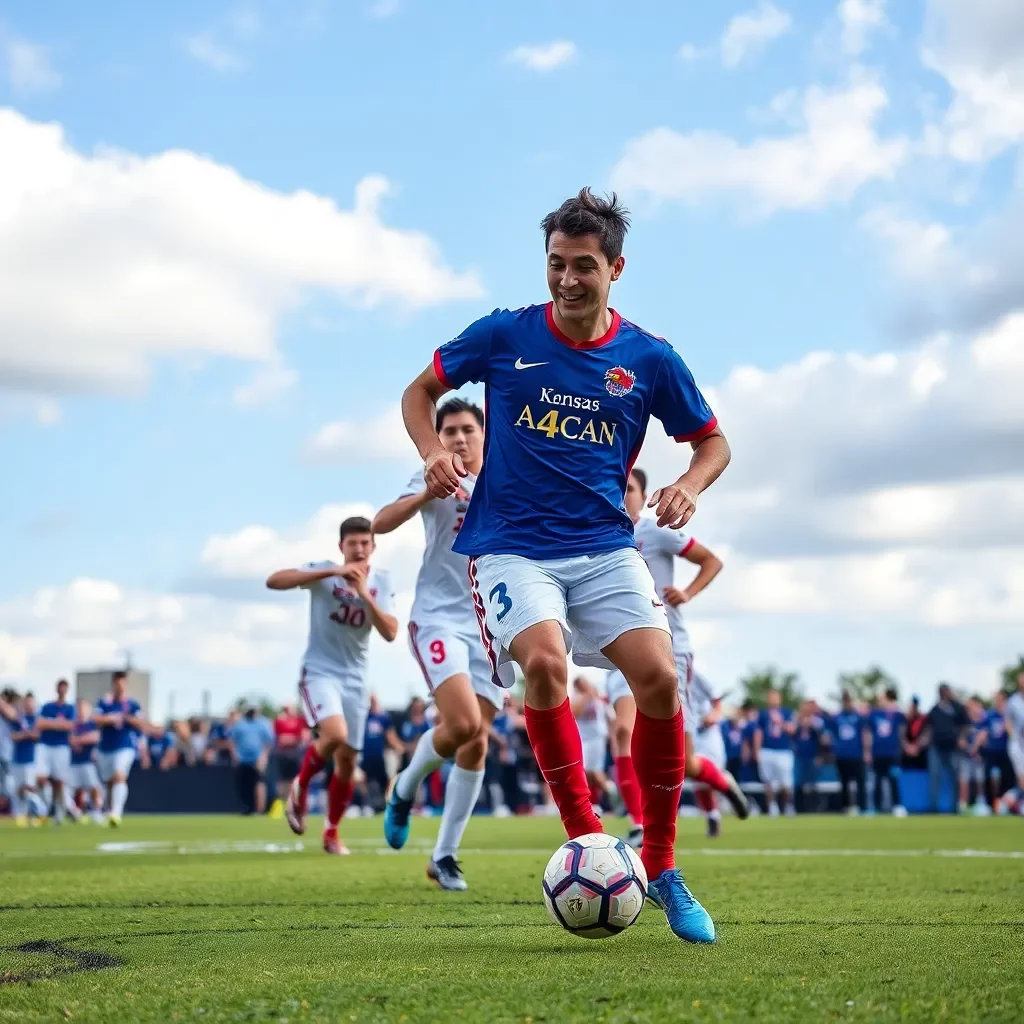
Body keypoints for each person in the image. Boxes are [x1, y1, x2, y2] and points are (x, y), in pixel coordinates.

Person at [398, 187, 731, 943]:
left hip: (605, 547)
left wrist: (686, 484)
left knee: (658, 680)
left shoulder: (647, 357)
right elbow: (420, 391)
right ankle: (587, 840)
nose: (568, 280)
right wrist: (429, 452)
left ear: (617, 268)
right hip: (512, 545)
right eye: (557, 264)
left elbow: (714, 443)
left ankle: (663, 865)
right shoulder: (505, 334)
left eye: (585, 266)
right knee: (544, 666)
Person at [377, 397, 507, 890]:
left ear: (482, 433)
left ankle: (444, 856)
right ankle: (404, 788)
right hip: (437, 619)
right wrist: (424, 493)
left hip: (491, 624)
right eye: (448, 429)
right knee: (463, 724)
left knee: (476, 743)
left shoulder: (504, 473)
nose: (457, 437)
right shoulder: (433, 473)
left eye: (467, 428)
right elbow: (380, 522)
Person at [605, 468, 748, 849]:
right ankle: (637, 825)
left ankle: (719, 780)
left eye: (630, 488)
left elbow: (711, 561)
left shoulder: (654, 531)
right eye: (617, 487)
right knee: (622, 730)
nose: (623, 494)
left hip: (669, 647)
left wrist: (687, 592)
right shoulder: (598, 529)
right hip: (617, 646)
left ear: (643, 494)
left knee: (680, 760)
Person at [270, 515, 397, 855]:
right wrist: (332, 573)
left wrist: (363, 594)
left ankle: (331, 832)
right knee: (335, 734)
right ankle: (301, 784)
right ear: (341, 546)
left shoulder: (381, 581)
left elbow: (390, 632)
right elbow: (275, 580)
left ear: (373, 546)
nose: (359, 549)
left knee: (345, 763)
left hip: (355, 680)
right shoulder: (325, 572)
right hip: (320, 671)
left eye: (365, 543)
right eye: (352, 543)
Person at [92, 671, 144, 827]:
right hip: (106, 747)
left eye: (122, 683)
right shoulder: (105, 703)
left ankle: (117, 812)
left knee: (119, 775)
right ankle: (110, 812)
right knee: (108, 782)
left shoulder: (132, 705)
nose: (120, 686)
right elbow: (96, 719)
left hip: (124, 746)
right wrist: (111, 718)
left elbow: (140, 723)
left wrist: (127, 718)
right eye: (117, 683)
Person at [689, 675, 729, 837]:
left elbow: (717, 700)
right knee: (698, 781)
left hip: (708, 737)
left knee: (710, 778)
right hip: (691, 734)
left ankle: (730, 794)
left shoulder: (695, 675)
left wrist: (713, 716)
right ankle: (712, 815)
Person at [36, 679, 79, 824]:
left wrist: (51, 723)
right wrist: (58, 724)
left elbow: (70, 726)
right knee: (41, 779)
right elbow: (40, 724)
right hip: (45, 746)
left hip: (61, 747)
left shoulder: (70, 708)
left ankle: (58, 812)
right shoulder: (47, 706)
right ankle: (49, 806)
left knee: (59, 782)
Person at [571, 676, 613, 817]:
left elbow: (610, 718)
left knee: (593, 772)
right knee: (586, 772)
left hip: (598, 738)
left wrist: (613, 739)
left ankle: (613, 795)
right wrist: (587, 697)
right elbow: (575, 713)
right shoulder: (578, 698)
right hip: (583, 738)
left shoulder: (600, 700)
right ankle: (593, 803)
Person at [924, 684, 968, 813]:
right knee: (934, 777)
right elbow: (929, 729)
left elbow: (965, 725)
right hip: (936, 747)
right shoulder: (935, 709)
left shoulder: (957, 708)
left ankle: (954, 808)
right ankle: (933, 807)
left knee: (954, 778)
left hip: (953, 748)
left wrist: (961, 738)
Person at [753, 689, 797, 817]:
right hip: (767, 750)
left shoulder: (787, 712)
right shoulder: (763, 714)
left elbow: (792, 730)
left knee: (786, 782)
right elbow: (758, 732)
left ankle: (787, 805)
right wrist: (757, 750)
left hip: (783, 751)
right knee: (768, 781)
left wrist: (780, 723)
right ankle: (772, 806)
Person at [867, 687, 906, 816]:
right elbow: (869, 733)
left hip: (892, 753)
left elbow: (901, 733)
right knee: (877, 780)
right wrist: (867, 751)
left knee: (893, 779)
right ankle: (875, 807)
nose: (879, 700)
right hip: (877, 753)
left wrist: (901, 749)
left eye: (882, 697)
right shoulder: (874, 714)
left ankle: (897, 806)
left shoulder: (898, 714)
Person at [230, 706, 275, 815]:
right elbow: (232, 741)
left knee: (259, 784)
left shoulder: (263, 724)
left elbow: (268, 742)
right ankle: (246, 808)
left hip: (258, 759)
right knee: (245, 785)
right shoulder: (239, 725)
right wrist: (235, 756)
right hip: (243, 760)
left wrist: (263, 757)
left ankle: (260, 810)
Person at [829, 692, 869, 815]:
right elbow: (832, 736)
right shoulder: (837, 717)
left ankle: (862, 807)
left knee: (860, 782)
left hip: (856, 755)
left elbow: (864, 734)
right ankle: (845, 807)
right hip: (842, 755)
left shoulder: (858, 717)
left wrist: (866, 751)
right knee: (844, 783)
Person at [9, 694, 45, 826]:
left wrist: (29, 734)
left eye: (31, 703)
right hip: (17, 758)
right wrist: (25, 734)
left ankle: (39, 812)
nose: (29, 705)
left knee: (30, 788)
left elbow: (37, 735)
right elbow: (13, 736)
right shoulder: (18, 720)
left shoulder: (37, 719)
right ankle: (20, 815)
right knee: (18, 789)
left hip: (32, 759)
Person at [360, 695, 398, 813]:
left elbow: (390, 737)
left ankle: (386, 804)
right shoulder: (363, 718)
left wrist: (399, 748)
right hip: (366, 756)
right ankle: (369, 804)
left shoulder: (383, 718)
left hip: (380, 756)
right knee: (365, 781)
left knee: (385, 780)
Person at [68, 700, 104, 822]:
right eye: (79, 708)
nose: (81, 711)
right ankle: (74, 811)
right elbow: (68, 739)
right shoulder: (72, 725)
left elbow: (94, 737)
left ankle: (96, 812)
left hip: (88, 762)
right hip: (73, 763)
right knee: (70, 790)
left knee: (93, 787)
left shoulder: (91, 725)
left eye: (84, 708)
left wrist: (78, 740)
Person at [272, 704, 308, 808]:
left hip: (295, 754)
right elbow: (279, 739)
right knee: (282, 780)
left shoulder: (299, 720)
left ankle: (295, 803)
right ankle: (283, 804)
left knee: (296, 780)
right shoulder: (279, 721)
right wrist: (291, 739)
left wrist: (291, 740)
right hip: (282, 755)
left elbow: (302, 737)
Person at [983, 691, 1013, 809]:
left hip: (1005, 751)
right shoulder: (990, 715)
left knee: (1008, 777)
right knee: (987, 777)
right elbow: (984, 732)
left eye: (1001, 700)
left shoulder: (1009, 716)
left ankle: (1003, 801)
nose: (998, 702)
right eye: (997, 700)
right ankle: (989, 804)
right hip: (991, 751)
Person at [958, 698, 989, 814]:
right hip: (966, 756)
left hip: (979, 757)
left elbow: (984, 738)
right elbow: (961, 741)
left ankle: (981, 803)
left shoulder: (984, 722)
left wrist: (975, 749)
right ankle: (963, 805)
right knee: (964, 779)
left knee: (980, 780)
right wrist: (969, 749)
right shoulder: (965, 723)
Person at [793, 701, 823, 814]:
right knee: (798, 783)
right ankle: (799, 808)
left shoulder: (817, 721)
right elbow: (792, 732)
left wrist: (819, 755)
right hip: (799, 756)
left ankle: (813, 808)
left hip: (812, 756)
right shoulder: (797, 720)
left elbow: (821, 738)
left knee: (812, 784)